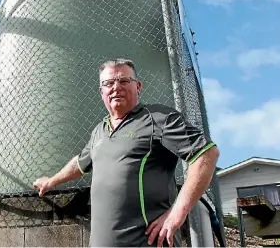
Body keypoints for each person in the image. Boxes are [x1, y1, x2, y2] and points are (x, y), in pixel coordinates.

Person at [33, 58, 220, 247]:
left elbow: (206, 153)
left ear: (138, 86)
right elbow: (80, 164)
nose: (116, 87)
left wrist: (177, 213)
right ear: (101, 91)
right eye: (108, 83)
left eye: (124, 81)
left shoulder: (158, 118)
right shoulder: (99, 130)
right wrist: (50, 181)